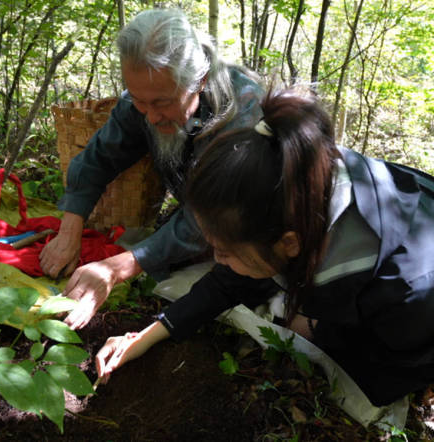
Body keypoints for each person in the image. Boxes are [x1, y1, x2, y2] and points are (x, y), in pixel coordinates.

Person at [95, 87, 434, 407]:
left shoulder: (406, 293)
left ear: (289, 244)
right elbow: (231, 279)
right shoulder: (291, 181)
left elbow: (392, 375)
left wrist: (317, 327)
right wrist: (149, 334)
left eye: (225, 252)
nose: (217, 259)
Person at [39, 8, 263, 329]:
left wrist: (116, 268)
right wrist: (69, 231)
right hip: (197, 211)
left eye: (161, 103)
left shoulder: (240, 113)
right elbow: (98, 157)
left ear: (198, 82)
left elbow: (212, 216)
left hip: (252, 228)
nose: (150, 117)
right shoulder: (144, 99)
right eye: (141, 103)